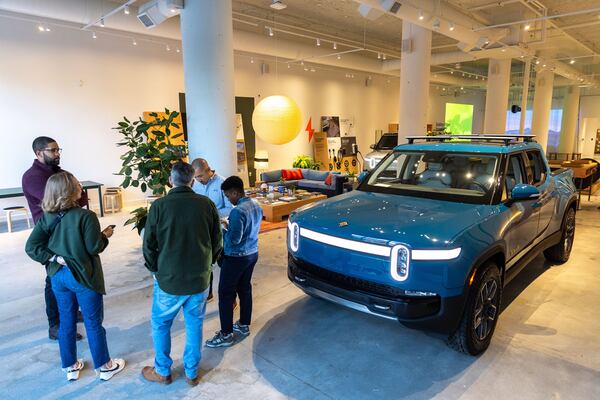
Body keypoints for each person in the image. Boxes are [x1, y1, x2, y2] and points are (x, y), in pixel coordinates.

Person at [25, 171, 125, 382]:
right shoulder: (86, 216)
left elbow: (31, 247)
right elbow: (94, 247)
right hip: (83, 276)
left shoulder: (47, 217)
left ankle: (70, 366)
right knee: (92, 322)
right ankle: (105, 367)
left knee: (66, 320)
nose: (81, 187)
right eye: (78, 184)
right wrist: (105, 235)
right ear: (70, 191)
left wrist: (54, 258)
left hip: (58, 277)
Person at [142, 161, 223, 386]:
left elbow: (148, 244)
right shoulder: (206, 204)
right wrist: (208, 264)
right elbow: (217, 242)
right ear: (192, 179)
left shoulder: (159, 206)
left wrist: (155, 269)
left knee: (160, 324)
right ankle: (191, 373)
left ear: (171, 179)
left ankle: (163, 371)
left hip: (169, 279)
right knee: (194, 323)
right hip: (199, 279)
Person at [22, 136, 88, 341]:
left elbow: (82, 196)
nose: (58, 153)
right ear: (39, 153)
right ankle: (55, 325)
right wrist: (73, 197)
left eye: (59, 149)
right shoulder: (32, 176)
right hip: (50, 234)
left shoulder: (60, 173)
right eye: (53, 150)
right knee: (53, 277)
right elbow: (56, 202)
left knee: (73, 271)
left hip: (70, 230)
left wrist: (74, 196)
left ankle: (71, 311)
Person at [205, 176, 263, 348]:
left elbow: (234, 240)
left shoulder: (237, 211)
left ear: (235, 192)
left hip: (236, 257)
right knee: (245, 288)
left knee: (225, 294)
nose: (228, 199)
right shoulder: (256, 204)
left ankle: (226, 334)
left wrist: (223, 229)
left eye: (228, 195)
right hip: (252, 253)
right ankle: (244, 325)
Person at [191, 158, 233, 302]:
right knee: (206, 263)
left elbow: (230, 208)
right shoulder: (195, 184)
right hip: (203, 231)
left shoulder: (222, 183)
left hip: (220, 231)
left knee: (224, 264)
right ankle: (208, 293)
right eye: (195, 177)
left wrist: (212, 215)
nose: (198, 179)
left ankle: (231, 298)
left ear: (209, 171)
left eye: (200, 176)